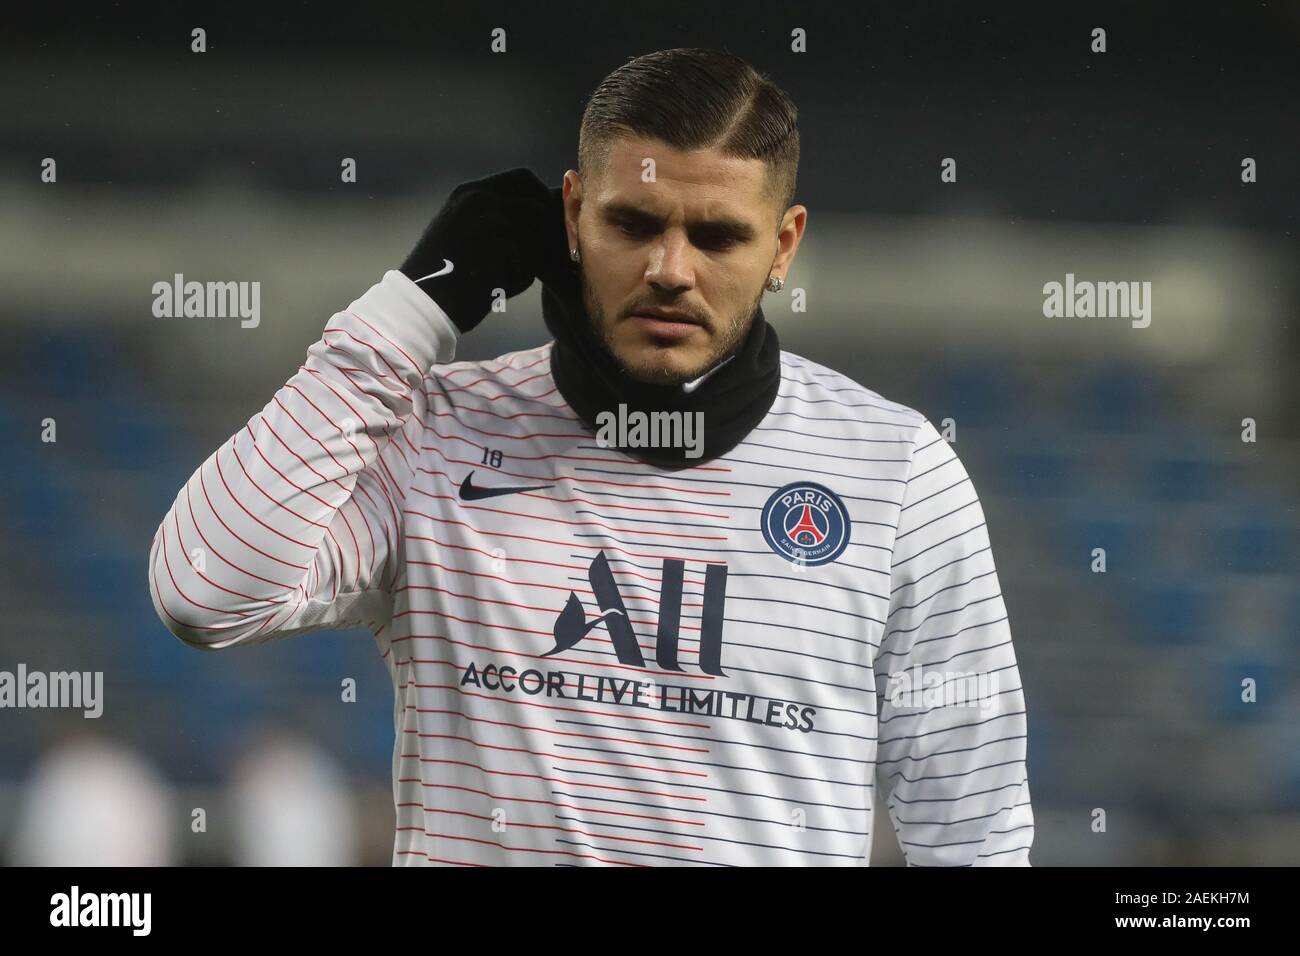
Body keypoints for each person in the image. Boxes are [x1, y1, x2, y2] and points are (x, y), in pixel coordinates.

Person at [149, 47, 1033, 866]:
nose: (670, 268)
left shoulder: (898, 473)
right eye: (635, 222)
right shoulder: (434, 433)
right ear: (573, 215)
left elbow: (974, 826)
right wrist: (408, 313)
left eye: (719, 236)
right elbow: (203, 592)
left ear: (784, 246)